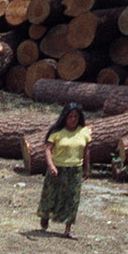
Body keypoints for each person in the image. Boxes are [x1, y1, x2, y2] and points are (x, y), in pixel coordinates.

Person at [38, 102, 90, 238]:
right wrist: (51, 166)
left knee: (72, 199)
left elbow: (86, 150)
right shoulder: (57, 132)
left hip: (75, 170)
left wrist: (87, 168)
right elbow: (48, 149)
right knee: (51, 195)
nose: (73, 120)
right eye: (70, 116)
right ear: (65, 117)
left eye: (76, 117)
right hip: (58, 169)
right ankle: (45, 215)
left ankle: (68, 229)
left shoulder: (83, 131)